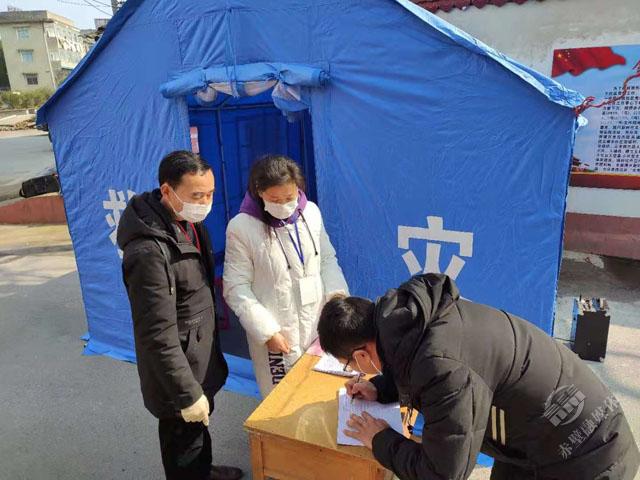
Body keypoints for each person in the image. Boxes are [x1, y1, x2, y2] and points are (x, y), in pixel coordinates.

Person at [317, 273, 640, 480]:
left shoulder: (443, 368)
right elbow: (413, 367)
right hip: (538, 436)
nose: (356, 372)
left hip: (588, 456)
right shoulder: (416, 319)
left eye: (350, 365)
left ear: (361, 355)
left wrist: (380, 439)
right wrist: (380, 388)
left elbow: (442, 473)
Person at [117, 151, 243, 480]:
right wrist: (187, 393)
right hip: (177, 373)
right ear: (167, 191)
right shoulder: (147, 253)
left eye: (210, 194)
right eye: (197, 195)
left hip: (197, 355)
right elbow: (156, 334)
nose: (205, 203)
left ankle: (204, 470)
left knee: (197, 430)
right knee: (182, 441)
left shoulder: (188, 224)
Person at [223, 154, 349, 397]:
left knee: (318, 392)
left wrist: (336, 299)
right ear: (259, 192)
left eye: (289, 197)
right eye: (274, 199)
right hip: (278, 334)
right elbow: (235, 287)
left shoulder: (311, 213)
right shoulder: (242, 227)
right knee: (280, 400)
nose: (283, 204)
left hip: (317, 323)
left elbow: (326, 259)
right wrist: (266, 331)